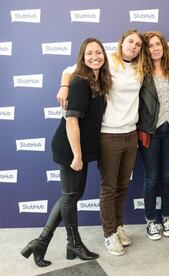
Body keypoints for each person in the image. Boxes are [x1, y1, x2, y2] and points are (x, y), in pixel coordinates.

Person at [21, 38, 111, 266]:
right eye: (89, 53)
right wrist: (77, 156)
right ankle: (73, 243)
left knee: (70, 195)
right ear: (82, 57)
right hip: (70, 147)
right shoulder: (80, 81)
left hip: (80, 147)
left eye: (99, 52)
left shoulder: (98, 80)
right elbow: (71, 121)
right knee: (71, 197)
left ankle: (40, 243)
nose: (95, 57)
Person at [58, 29, 147, 256]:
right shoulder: (107, 61)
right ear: (121, 42)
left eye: (138, 44)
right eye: (130, 42)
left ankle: (118, 227)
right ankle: (109, 234)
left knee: (123, 185)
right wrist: (64, 85)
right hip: (108, 134)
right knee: (109, 187)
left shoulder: (139, 66)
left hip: (130, 134)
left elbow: (163, 62)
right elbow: (71, 69)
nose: (134, 47)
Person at [138, 31, 169, 240]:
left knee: (167, 176)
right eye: (150, 46)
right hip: (151, 132)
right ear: (145, 50)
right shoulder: (141, 73)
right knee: (152, 178)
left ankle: (166, 218)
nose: (155, 48)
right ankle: (151, 221)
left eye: (158, 44)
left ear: (163, 47)